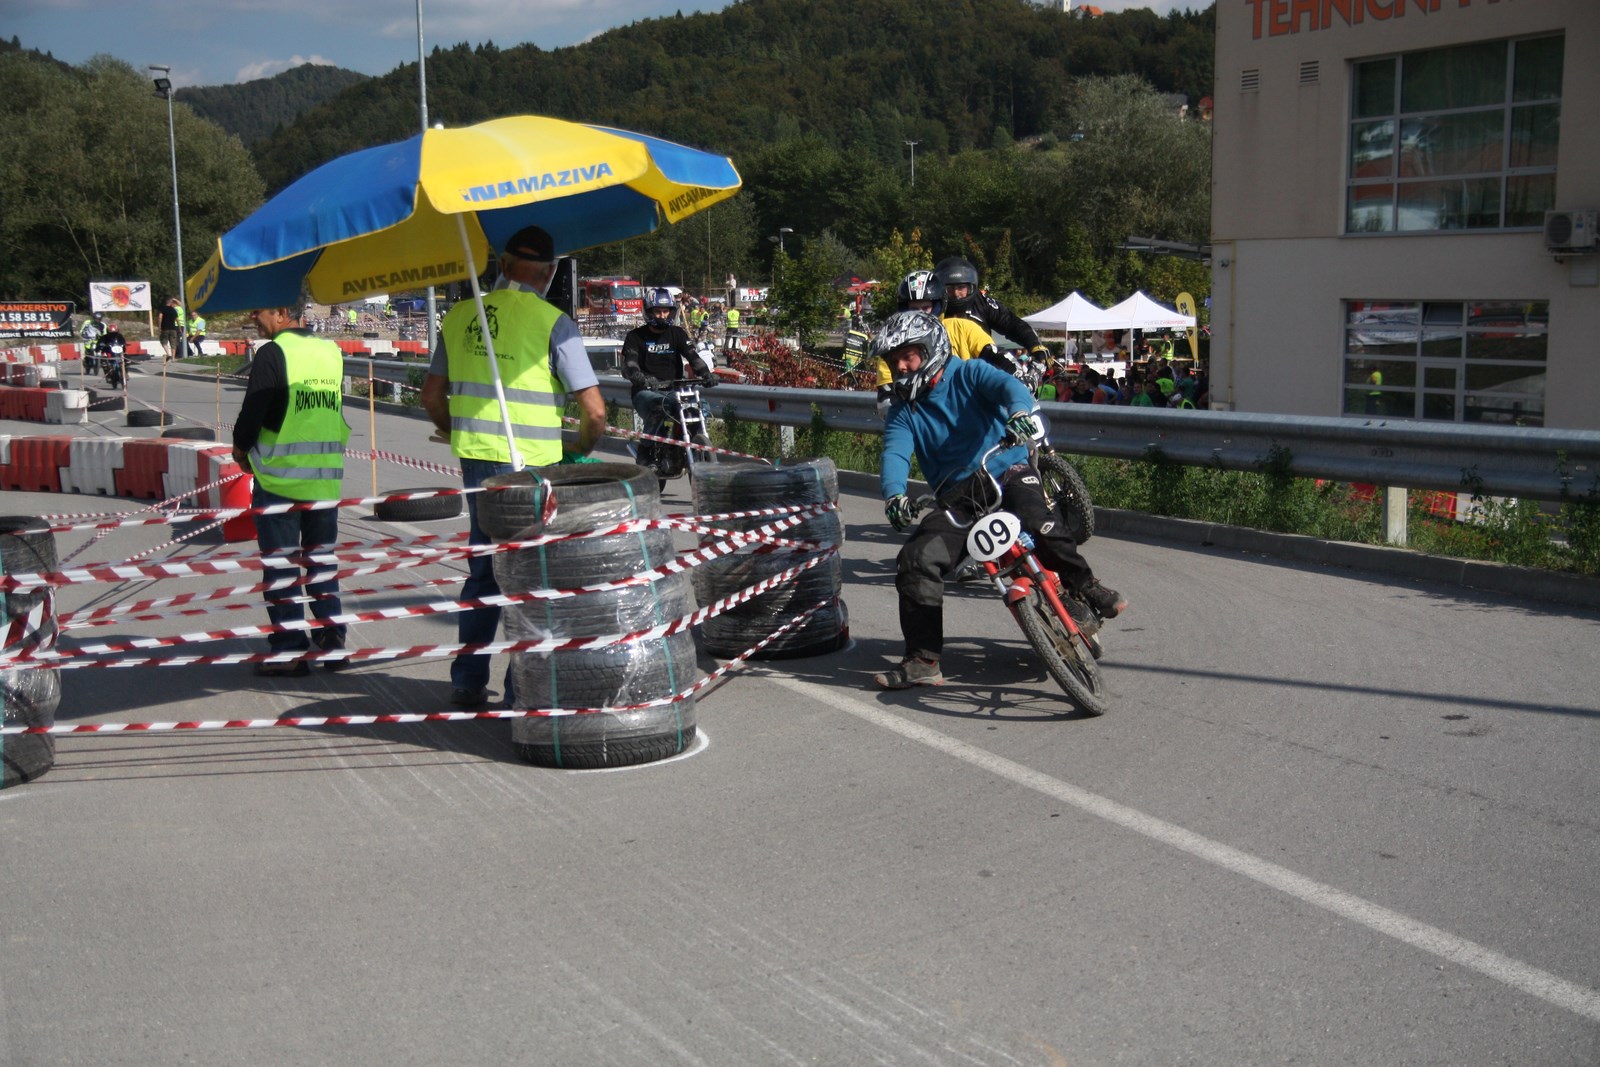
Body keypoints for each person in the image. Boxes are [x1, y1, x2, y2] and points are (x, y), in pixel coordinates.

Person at [873, 310, 1125, 689]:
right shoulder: (902, 410)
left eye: (908, 356)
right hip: (957, 497)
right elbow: (895, 452)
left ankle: (1085, 585)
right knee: (916, 558)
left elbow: (1009, 388)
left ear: (931, 349)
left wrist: (1019, 411)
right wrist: (894, 494)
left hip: (1005, 469)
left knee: (1039, 521)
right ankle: (923, 660)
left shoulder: (969, 373)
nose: (901, 367)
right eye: (895, 361)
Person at [420, 225, 608, 708]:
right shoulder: (554, 323)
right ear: (549, 273)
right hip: (532, 467)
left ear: (502, 266)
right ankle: (518, 689)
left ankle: (467, 680)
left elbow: (432, 396)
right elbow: (595, 412)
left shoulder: (460, 315)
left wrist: (454, 428)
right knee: (528, 576)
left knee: (483, 571)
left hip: (477, 459)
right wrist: (580, 450)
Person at [232, 303, 351, 677]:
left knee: (282, 566)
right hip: (324, 478)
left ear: (282, 312)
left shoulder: (274, 352)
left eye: (259, 311)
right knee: (321, 561)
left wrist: (240, 451)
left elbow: (255, 411)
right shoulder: (330, 351)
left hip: (279, 480)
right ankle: (332, 640)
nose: (253, 317)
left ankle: (290, 649)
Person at [873, 270, 997, 418]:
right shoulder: (892, 345)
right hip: (924, 422)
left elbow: (1000, 363)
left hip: (971, 416)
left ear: (938, 306)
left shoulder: (963, 328)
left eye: (925, 308)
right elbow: (887, 403)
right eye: (914, 309)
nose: (920, 315)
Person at [624, 287, 717, 439]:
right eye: (658, 311)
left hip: (675, 391)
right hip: (646, 391)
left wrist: (706, 373)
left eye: (665, 311)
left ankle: (688, 441)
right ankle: (646, 448)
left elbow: (693, 357)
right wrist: (639, 377)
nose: (662, 316)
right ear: (648, 311)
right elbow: (630, 363)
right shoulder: (635, 336)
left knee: (700, 406)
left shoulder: (677, 333)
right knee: (659, 406)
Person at [933, 257, 1051, 376]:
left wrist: (1034, 345)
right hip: (940, 374)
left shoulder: (981, 302)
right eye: (949, 289)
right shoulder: (932, 306)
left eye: (961, 288)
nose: (956, 294)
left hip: (983, 373)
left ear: (971, 287)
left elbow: (1010, 322)